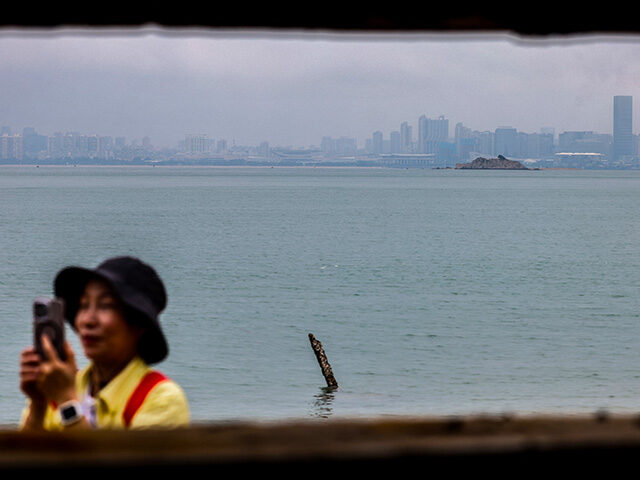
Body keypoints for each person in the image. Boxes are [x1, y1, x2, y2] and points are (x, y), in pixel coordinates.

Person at [19, 256, 190, 431]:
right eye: (83, 305)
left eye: (105, 306)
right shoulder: (58, 385)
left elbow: (105, 459)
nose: (88, 320)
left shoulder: (161, 398)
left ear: (138, 323)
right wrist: (38, 403)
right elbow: (23, 457)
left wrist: (66, 400)